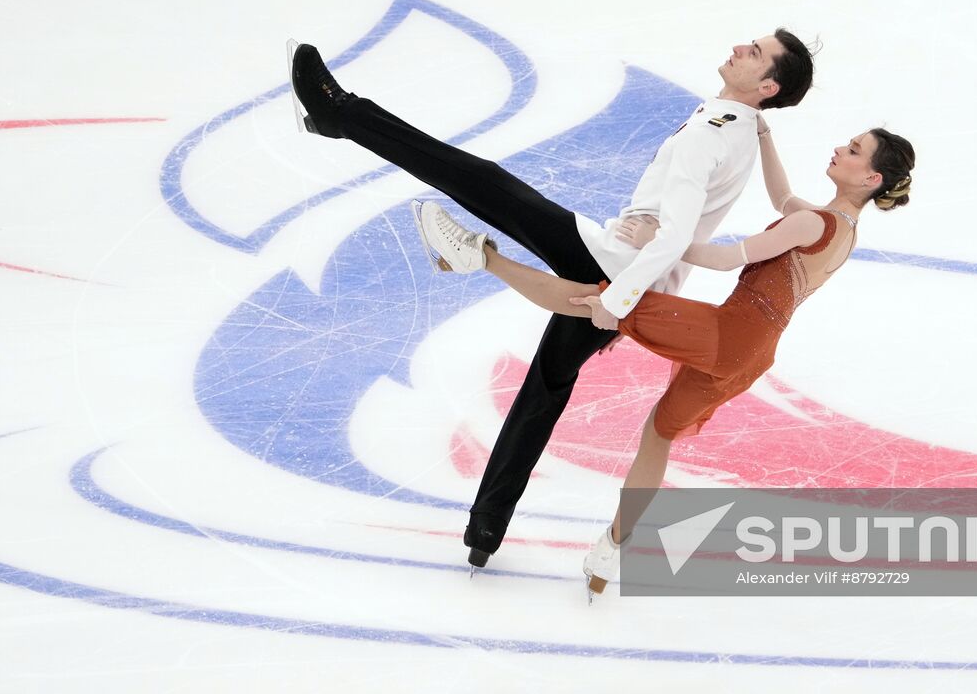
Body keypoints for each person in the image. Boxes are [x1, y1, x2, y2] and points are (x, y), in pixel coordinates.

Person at [288, 31, 815, 568]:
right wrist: (760, 120)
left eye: (755, 53)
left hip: (615, 269)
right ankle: (485, 530)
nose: (740, 47)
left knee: (483, 182)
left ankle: (343, 115)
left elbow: (676, 235)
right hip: (640, 282)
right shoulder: (741, 127)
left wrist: (619, 300)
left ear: (767, 84)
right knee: (545, 387)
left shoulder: (715, 132)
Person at [410, 125, 915, 595]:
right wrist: (762, 137)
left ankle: (478, 256)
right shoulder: (843, 231)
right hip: (753, 356)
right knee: (659, 433)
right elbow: (783, 198)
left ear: (871, 177)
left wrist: (662, 242)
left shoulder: (813, 221)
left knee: (599, 300)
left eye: (853, 150)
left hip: (729, 333)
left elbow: (725, 258)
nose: (840, 150)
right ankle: (610, 555)